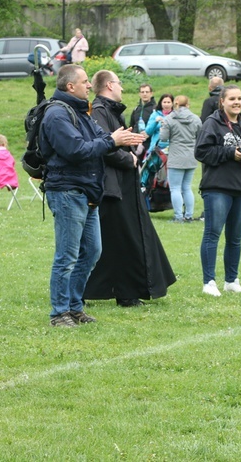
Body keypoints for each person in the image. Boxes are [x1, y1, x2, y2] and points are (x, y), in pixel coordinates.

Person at [40, 64, 146, 326]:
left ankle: (75, 308)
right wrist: (112, 141)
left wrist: (122, 139)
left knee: (92, 252)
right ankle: (59, 313)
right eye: (85, 81)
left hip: (87, 192)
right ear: (70, 86)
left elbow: (102, 140)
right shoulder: (56, 115)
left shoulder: (82, 113)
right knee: (67, 255)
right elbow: (76, 150)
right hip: (67, 191)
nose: (89, 86)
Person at [83, 70, 177, 307]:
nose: (122, 88)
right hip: (111, 186)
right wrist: (129, 160)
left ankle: (124, 290)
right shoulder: (100, 112)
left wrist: (130, 149)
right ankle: (105, 290)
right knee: (117, 239)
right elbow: (104, 145)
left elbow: (116, 142)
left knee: (122, 238)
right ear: (109, 86)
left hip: (121, 184)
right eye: (119, 83)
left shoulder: (109, 111)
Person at [195, 85, 241, 296]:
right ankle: (209, 282)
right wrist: (229, 153)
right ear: (222, 102)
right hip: (217, 188)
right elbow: (201, 151)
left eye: (240, 98)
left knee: (235, 238)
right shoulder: (212, 124)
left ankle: (231, 280)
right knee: (212, 234)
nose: (237, 102)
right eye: (232, 98)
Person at [160, 95, 202, 222]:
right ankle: (188, 215)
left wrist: (163, 125)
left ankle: (178, 216)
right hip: (191, 156)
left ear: (174, 104)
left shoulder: (169, 119)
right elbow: (200, 136)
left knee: (175, 188)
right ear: (188, 104)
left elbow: (163, 138)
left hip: (176, 156)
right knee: (187, 187)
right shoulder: (196, 119)